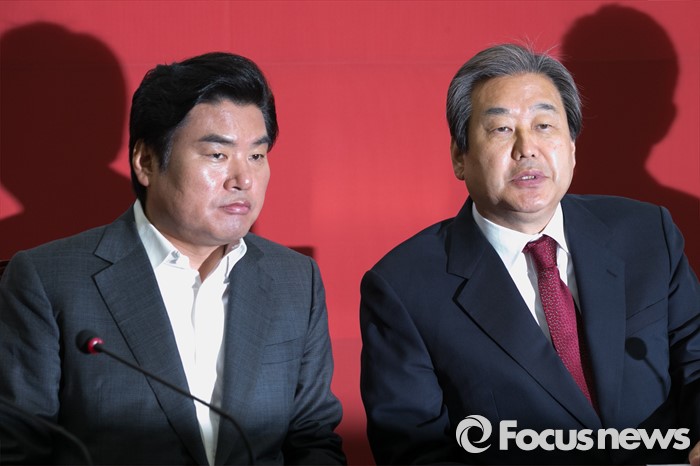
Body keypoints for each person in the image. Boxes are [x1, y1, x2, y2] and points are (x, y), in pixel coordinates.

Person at [360, 43, 700, 465]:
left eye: (544, 125)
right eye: (502, 129)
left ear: (572, 146)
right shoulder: (404, 288)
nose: (527, 148)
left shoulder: (647, 234)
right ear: (459, 157)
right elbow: (416, 452)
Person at [0, 52, 346, 465]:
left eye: (256, 155)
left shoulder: (295, 280)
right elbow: (17, 452)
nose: (244, 180)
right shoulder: (49, 281)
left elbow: (313, 439)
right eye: (217, 155)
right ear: (146, 162)